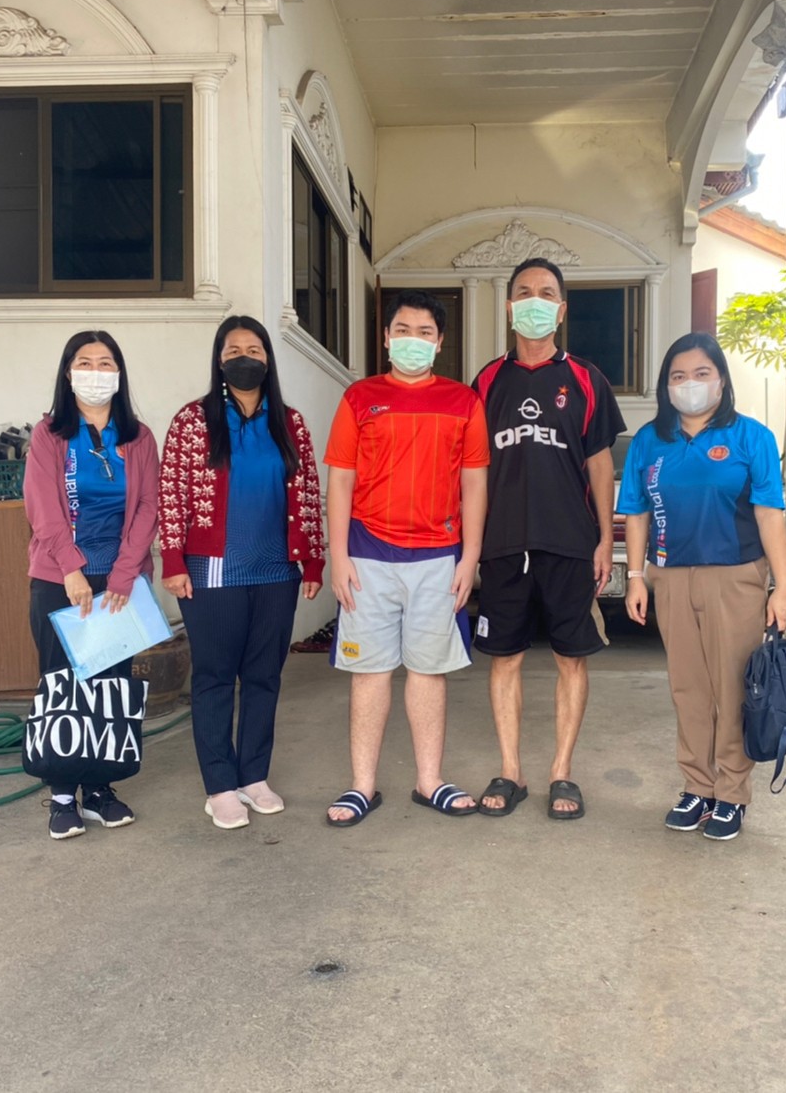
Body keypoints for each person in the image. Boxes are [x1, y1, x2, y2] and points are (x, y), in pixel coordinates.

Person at [323, 290, 489, 827]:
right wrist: (338, 555)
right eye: (402, 330)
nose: (412, 340)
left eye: (424, 332)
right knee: (369, 672)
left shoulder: (463, 402)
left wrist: (470, 557)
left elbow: (474, 484)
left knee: (428, 670)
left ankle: (429, 780)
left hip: (438, 558)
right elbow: (341, 480)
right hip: (368, 555)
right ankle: (362, 786)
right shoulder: (360, 397)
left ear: (439, 343)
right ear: (386, 338)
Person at [618, 332, 786, 842]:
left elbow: (770, 514)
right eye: (678, 376)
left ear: (720, 380)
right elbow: (636, 511)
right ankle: (698, 786)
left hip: (734, 578)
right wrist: (635, 577)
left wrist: (783, 586)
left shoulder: (751, 437)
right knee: (688, 687)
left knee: (732, 687)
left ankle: (732, 791)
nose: (689, 384)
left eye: (701, 374)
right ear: (665, 384)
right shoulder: (649, 440)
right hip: (670, 578)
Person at [471, 258, 625, 820]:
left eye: (545, 293)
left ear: (560, 310)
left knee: (571, 659)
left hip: (569, 543)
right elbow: (472, 471)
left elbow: (601, 465)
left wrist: (604, 539)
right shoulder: (486, 382)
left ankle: (562, 771)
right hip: (504, 544)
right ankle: (510, 770)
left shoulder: (586, 379)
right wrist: (470, 546)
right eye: (524, 292)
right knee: (504, 659)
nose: (534, 301)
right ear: (509, 306)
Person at [159, 316, 325, 830]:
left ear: (268, 360)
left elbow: (308, 492)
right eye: (233, 350)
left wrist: (313, 558)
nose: (244, 358)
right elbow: (171, 492)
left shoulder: (290, 423)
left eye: (254, 349)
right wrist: (172, 559)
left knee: (263, 675)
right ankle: (220, 786)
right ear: (219, 360)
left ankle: (254, 776)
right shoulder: (193, 421)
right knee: (214, 676)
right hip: (213, 571)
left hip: (277, 570)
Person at [24, 330, 159, 841]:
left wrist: (124, 573)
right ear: (68, 372)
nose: (96, 372)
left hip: (120, 577)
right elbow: (42, 505)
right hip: (60, 576)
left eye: (106, 363)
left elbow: (147, 507)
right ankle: (62, 794)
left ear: (119, 374)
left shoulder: (138, 437)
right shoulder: (49, 434)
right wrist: (71, 568)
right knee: (62, 684)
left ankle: (99, 788)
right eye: (85, 362)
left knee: (110, 685)